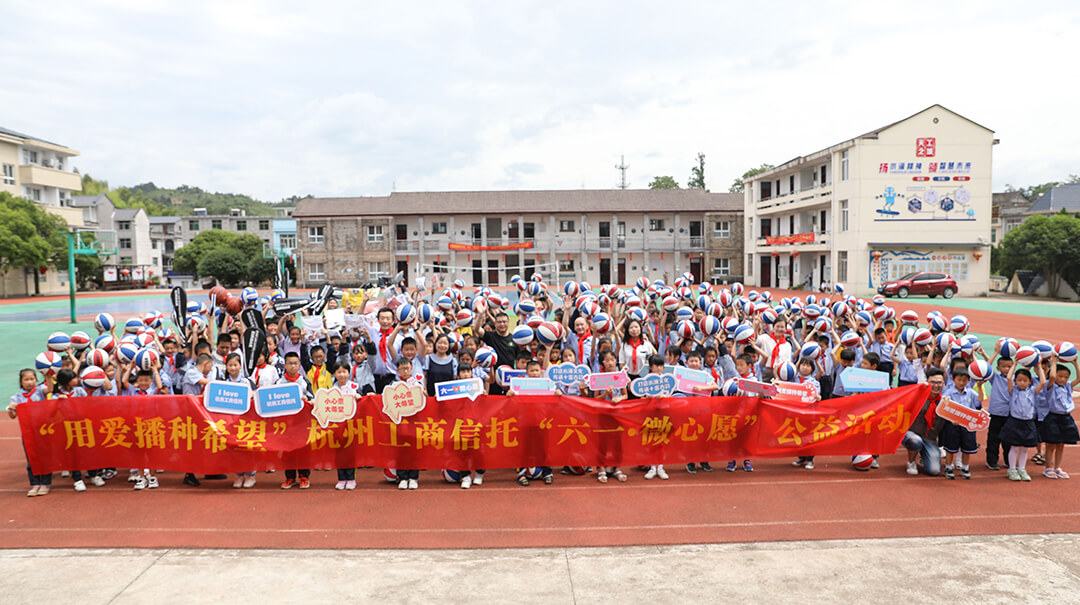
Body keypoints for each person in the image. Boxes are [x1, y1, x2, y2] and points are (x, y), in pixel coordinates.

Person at [507, 359, 554, 486]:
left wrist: (557, 393)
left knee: (543, 448)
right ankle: (521, 473)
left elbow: (554, 398)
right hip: (525, 421)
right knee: (523, 448)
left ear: (541, 372)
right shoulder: (519, 385)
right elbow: (512, 402)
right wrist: (510, 394)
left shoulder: (547, 385)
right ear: (526, 373)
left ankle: (547, 472)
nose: (534, 373)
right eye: (532, 371)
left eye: (537, 370)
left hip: (542, 421)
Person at [8, 369, 53, 496]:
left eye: (32, 379)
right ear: (21, 382)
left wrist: (48, 376)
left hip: (42, 431)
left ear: (36, 380)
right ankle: (35, 484)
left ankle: (45, 483)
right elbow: (13, 416)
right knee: (31, 459)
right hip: (28, 433)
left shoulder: (40, 390)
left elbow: (50, 389)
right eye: (26, 380)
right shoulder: (17, 397)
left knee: (44, 457)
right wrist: (11, 409)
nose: (29, 382)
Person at [1001, 363, 1047, 482]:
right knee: (1014, 447)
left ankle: (1022, 469)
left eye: (1025, 380)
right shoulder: (1013, 391)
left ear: (1030, 381)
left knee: (1024, 448)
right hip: (1015, 422)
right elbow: (1009, 378)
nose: (1022, 382)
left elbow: (1042, 382)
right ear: (1015, 381)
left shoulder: (1032, 391)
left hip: (1028, 423)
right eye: (1019, 380)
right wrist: (1015, 364)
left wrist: (1039, 366)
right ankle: (1012, 469)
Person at [902, 368, 948, 476]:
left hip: (929, 439)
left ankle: (924, 455)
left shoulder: (946, 403)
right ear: (927, 382)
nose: (936, 386)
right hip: (911, 434)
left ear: (944, 384)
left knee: (934, 471)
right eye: (933, 382)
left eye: (939, 383)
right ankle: (911, 462)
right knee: (915, 441)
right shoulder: (917, 396)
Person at [940, 367, 985, 480]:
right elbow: (943, 408)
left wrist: (979, 387)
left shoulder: (971, 393)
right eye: (959, 380)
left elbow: (979, 402)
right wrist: (951, 420)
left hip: (967, 426)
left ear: (969, 380)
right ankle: (948, 467)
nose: (961, 383)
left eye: (965, 380)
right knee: (950, 448)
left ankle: (965, 468)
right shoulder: (948, 393)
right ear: (953, 379)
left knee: (967, 448)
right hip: (952, 425)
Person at [1041, 356, 1080, 479]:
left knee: (1061, 444)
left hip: (1066, 418)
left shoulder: (1067, 386)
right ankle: (1048, 468)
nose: (1063, 379)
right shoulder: (1050, 385)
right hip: (1053, 418)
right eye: (1060, 376)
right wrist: (1054, 363)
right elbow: (1052, 377)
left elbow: (1079, 378)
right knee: (1051, 444)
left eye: (1066, 377)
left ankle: (1057, 467)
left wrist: (1076, 363)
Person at [279, 352, 313, 489]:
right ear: (285, 365)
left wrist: (306, 399)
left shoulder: (304, 381)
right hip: (286, 424)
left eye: (295, 363)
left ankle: (304, 476)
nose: (293, 366)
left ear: (299, 365)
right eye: (290, 363)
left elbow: (311, 398)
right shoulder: (279, 383)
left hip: (301, 422)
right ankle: (290, 477)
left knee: (303, 450)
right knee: (288, 450)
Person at [328, 360, 360, 490]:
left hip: (351, 425)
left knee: (350, 452)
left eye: (344, 372)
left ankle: (351, 478)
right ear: (334, 374)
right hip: (337, 426)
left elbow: (363, 400)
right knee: (339, 453)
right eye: (339, 372)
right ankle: (341, 478)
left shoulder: (354, 387)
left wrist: (358, 396)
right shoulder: (332, 390)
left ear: (349, 373)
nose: (341, 375)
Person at [392, 356, 422, 490]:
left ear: (412, 369)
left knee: (414, 450)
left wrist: (424, 393)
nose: (405, 371)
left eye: (407, 368)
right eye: (402, 369)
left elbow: (423, 399)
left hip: (414, 421)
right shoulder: (394, 385)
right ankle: (403, 477)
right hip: (399, 422)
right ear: (398, 370)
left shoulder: (416, 384)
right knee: (401, 450)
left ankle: (413, 478)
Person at [642, 355, 671, 481]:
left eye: (661, 365)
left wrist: (664, 397)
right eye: (656, 365)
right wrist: (648, 397)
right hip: (650, 415)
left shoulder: (667, 381)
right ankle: (652, 467)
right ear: (650, 367)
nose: (659, 368)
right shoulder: (645, 381)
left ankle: (661, 467)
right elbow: (641, 398)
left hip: (663, 415)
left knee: (661, 441)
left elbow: (671, 396)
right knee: (651, 440)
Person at [985, 348, 1014, 471]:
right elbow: (987, 367)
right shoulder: (995, 378)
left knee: (1009, 440)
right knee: (993, 438)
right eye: (1003, 366)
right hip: (996, 413)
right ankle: (992, 461)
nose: (1006, 369)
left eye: (1009, 366)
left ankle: (1009, 461)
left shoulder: (1015, 379)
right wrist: (996, 352)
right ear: (998, 368)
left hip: (1010, 414)